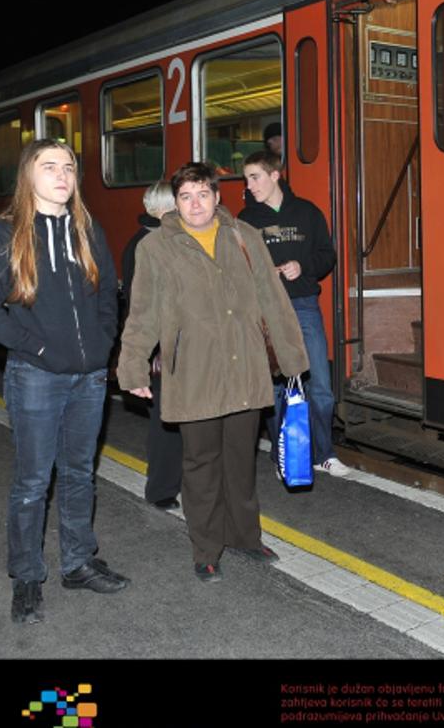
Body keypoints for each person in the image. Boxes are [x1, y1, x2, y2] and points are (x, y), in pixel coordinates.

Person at [118, 162, 307, 582]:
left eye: (203, 194)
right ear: (176, 202)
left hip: (244, 366)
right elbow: (143, 313)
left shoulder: (245, 236)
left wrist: (294, 361)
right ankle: (206, 549)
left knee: (240, 462)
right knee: (201, 465)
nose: (195, 204)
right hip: (194, 372)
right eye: (185, 196)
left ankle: (244, 536)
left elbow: (273, 300)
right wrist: (131, 367)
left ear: (217, 197)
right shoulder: (156, 248)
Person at [0, 139, 128, 625]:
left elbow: (106, 298)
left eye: (69, 167)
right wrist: (39, 349)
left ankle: (78, 563)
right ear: (28, 176)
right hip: (36, 377)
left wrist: (104, 344)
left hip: (89, 378)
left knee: (80, 474)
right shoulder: (4, 234)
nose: (62, 175)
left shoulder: (87, 229)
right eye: (49, 166)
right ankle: (26, 577)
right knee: (33, 482)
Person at [238, 151, 344, 478]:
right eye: (247, 179)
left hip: (303, 305)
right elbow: (237, 267)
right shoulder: (246, 220)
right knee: (275, 387)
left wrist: (303, 266)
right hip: (265, 311)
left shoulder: (308, 213)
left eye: (255, 177)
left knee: (321, 386)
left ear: (275, 176)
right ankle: (283, 449)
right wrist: (262, 272)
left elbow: (327, 256)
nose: (249, 185)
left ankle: (324, 454)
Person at [120, 181, 182, 509]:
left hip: (166, 344)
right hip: (161, 346)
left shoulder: (144, 241)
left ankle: (167, 483)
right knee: (166, 422)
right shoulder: (149, 244)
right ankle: (160, 490)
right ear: (162, 209)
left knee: (171, 419)